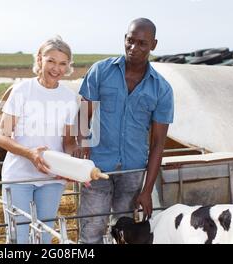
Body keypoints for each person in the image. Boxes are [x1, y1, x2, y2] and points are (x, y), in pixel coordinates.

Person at [77, 18, 174, 244]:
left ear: (154, 45)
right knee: (92, 228)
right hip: (97, 166)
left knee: (124, 232)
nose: (134, 48)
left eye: (142, 43)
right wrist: (83, 146)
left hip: (133, 171)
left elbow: (158, 143)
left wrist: (147, 189)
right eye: (130, 41)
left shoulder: (162, 89)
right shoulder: (101, 71)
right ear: (124, 39)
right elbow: (83, 114)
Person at [0, 36, 79, 244]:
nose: (56, 68)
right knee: (19, 238)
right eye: (51, 60)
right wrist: (30, 154)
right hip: (18, 176)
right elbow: (2, 137)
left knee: (43, 237)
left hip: (52, 178)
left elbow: (68, 141)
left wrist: (72, 166)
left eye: (62, 63)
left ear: (68, 66)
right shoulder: (22, 91)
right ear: (40, 59)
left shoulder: (69, 98)